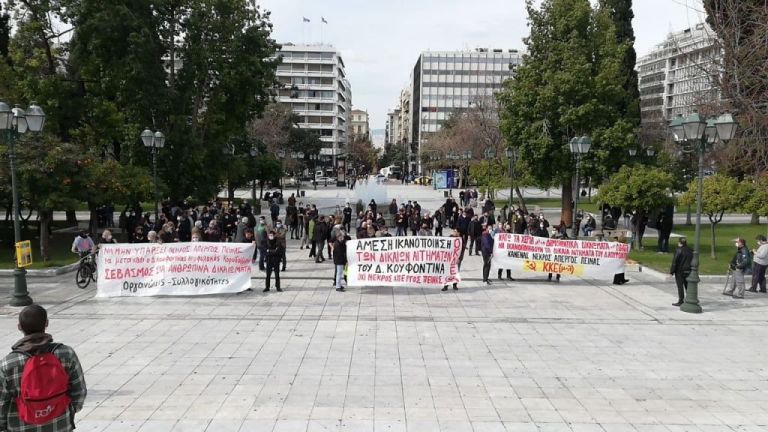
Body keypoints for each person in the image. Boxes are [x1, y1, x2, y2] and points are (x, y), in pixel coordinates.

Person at [0, 305, 87, 431]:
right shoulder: (66, 353)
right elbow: (79, 391)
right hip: (60, 424)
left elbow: (2, 402)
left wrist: (3, 425)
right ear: (46, 323)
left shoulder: (8, 363)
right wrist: (67, 411)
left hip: (20, 426)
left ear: (19, 327)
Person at [669, 237, 693, 306]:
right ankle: (689, 298)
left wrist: (671, 272)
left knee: (680, 286)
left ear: (679, 243)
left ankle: (681, 300)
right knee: (687, 286)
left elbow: (675, 261)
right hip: (688, 270)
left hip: (680, 271)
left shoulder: (678, 250)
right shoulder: (690, 250)